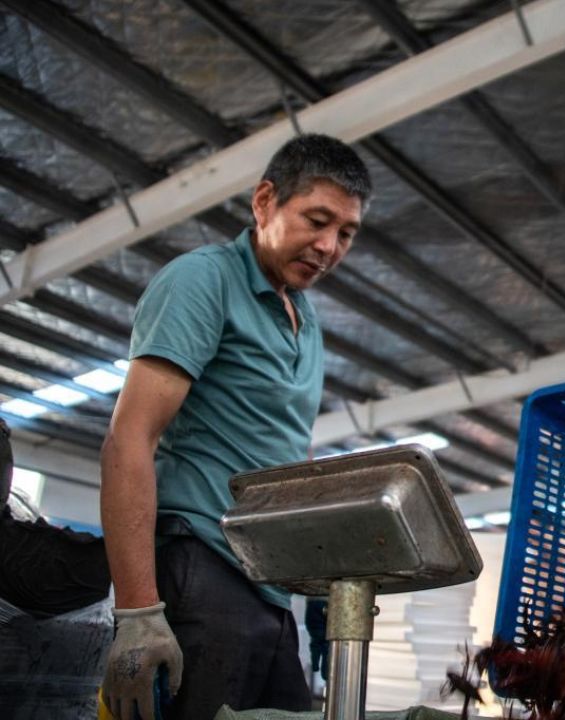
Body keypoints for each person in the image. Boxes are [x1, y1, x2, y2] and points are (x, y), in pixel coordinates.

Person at [100, 134, 372, 720]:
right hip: (200, 568)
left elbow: (280, 457)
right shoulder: (204, 282)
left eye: (345, 234)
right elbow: (129, 438)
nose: (328, 246)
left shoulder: (308, 320)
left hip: (272, 592)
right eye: (316, 220)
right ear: (265, 201)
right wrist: (138, 613)